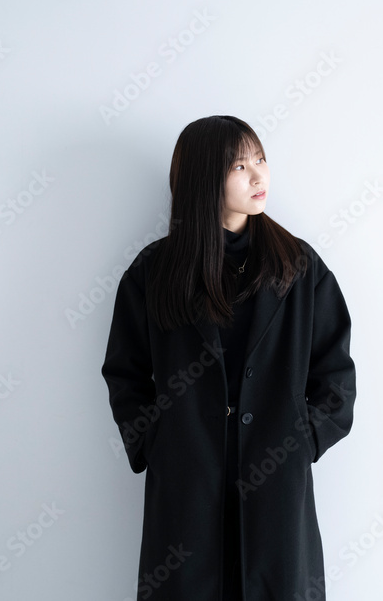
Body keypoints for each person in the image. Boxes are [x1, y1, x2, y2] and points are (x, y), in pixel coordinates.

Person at [101, 115, 356, 600]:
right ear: (202, 178)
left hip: (276, 480)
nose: (259, 175)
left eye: (260, 159)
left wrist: (303, 439)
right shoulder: (155, 272)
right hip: (188, 482)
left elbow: (336, 374)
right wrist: (157, 441)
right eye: (240, 166)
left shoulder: (299, 267)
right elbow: (124, 373)